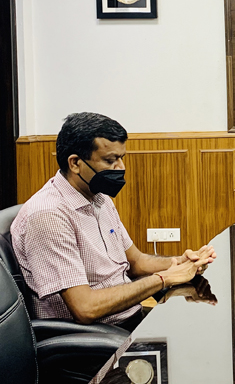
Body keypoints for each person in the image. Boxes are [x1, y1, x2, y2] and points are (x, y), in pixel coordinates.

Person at [11, 112, 216, 331]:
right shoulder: (48, 216)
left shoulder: (99, 197)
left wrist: (182, 263)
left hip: (127, 316)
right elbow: (85, 309)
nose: (121, 167)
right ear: (75, 163)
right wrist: (164, 278)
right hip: (95, 336)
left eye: (121, 158)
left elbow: (136, 262)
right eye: (110, 160)